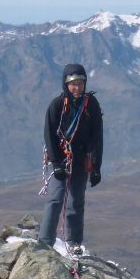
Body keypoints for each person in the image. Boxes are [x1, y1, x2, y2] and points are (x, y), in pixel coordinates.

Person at [37, 63, 103, 252]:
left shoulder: (91, 104)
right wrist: (56, 163)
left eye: (80, 84)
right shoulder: (57, 105)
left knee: (76, 201)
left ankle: (74, 243)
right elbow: (49, 134)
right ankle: (44, 241)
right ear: (66, 85)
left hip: (82, 159)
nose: (77, 88)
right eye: (73, 84)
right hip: (62, 158)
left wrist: (96, 167)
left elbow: (97, 136)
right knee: (55, 199)